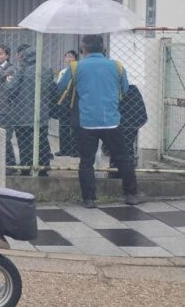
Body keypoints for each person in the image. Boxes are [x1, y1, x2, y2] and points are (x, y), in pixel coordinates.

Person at [57, 35, 139, 208]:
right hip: (111, 120)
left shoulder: (75, 67)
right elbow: (125, 89)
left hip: (86, 121)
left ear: (83, 49)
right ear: (103, 49)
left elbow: (61, 86)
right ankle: (130, 194)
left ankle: (89, 199)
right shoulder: (117, 66)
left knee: (86, 161)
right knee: (123, 157)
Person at [4, 45, 53, 176]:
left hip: (22, 115)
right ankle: (43, 169)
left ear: (24, 57)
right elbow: (52, 90)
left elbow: (11, 90)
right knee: (41, 142)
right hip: (41, 114)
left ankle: (26, 169)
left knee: (25, 143)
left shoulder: (22, 71)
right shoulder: (47, 71)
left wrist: (8, 82)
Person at [53, 51, 79, 157]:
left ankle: (74, 149)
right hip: (64, 101)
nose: (68, 59)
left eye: (70, 57)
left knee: (74, 126)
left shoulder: (75, 69)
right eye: (66, 56)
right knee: (64, 125)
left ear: (75, 58)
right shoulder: (63, 71)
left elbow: (62, 86)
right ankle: (64, 149)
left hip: (72, 100)